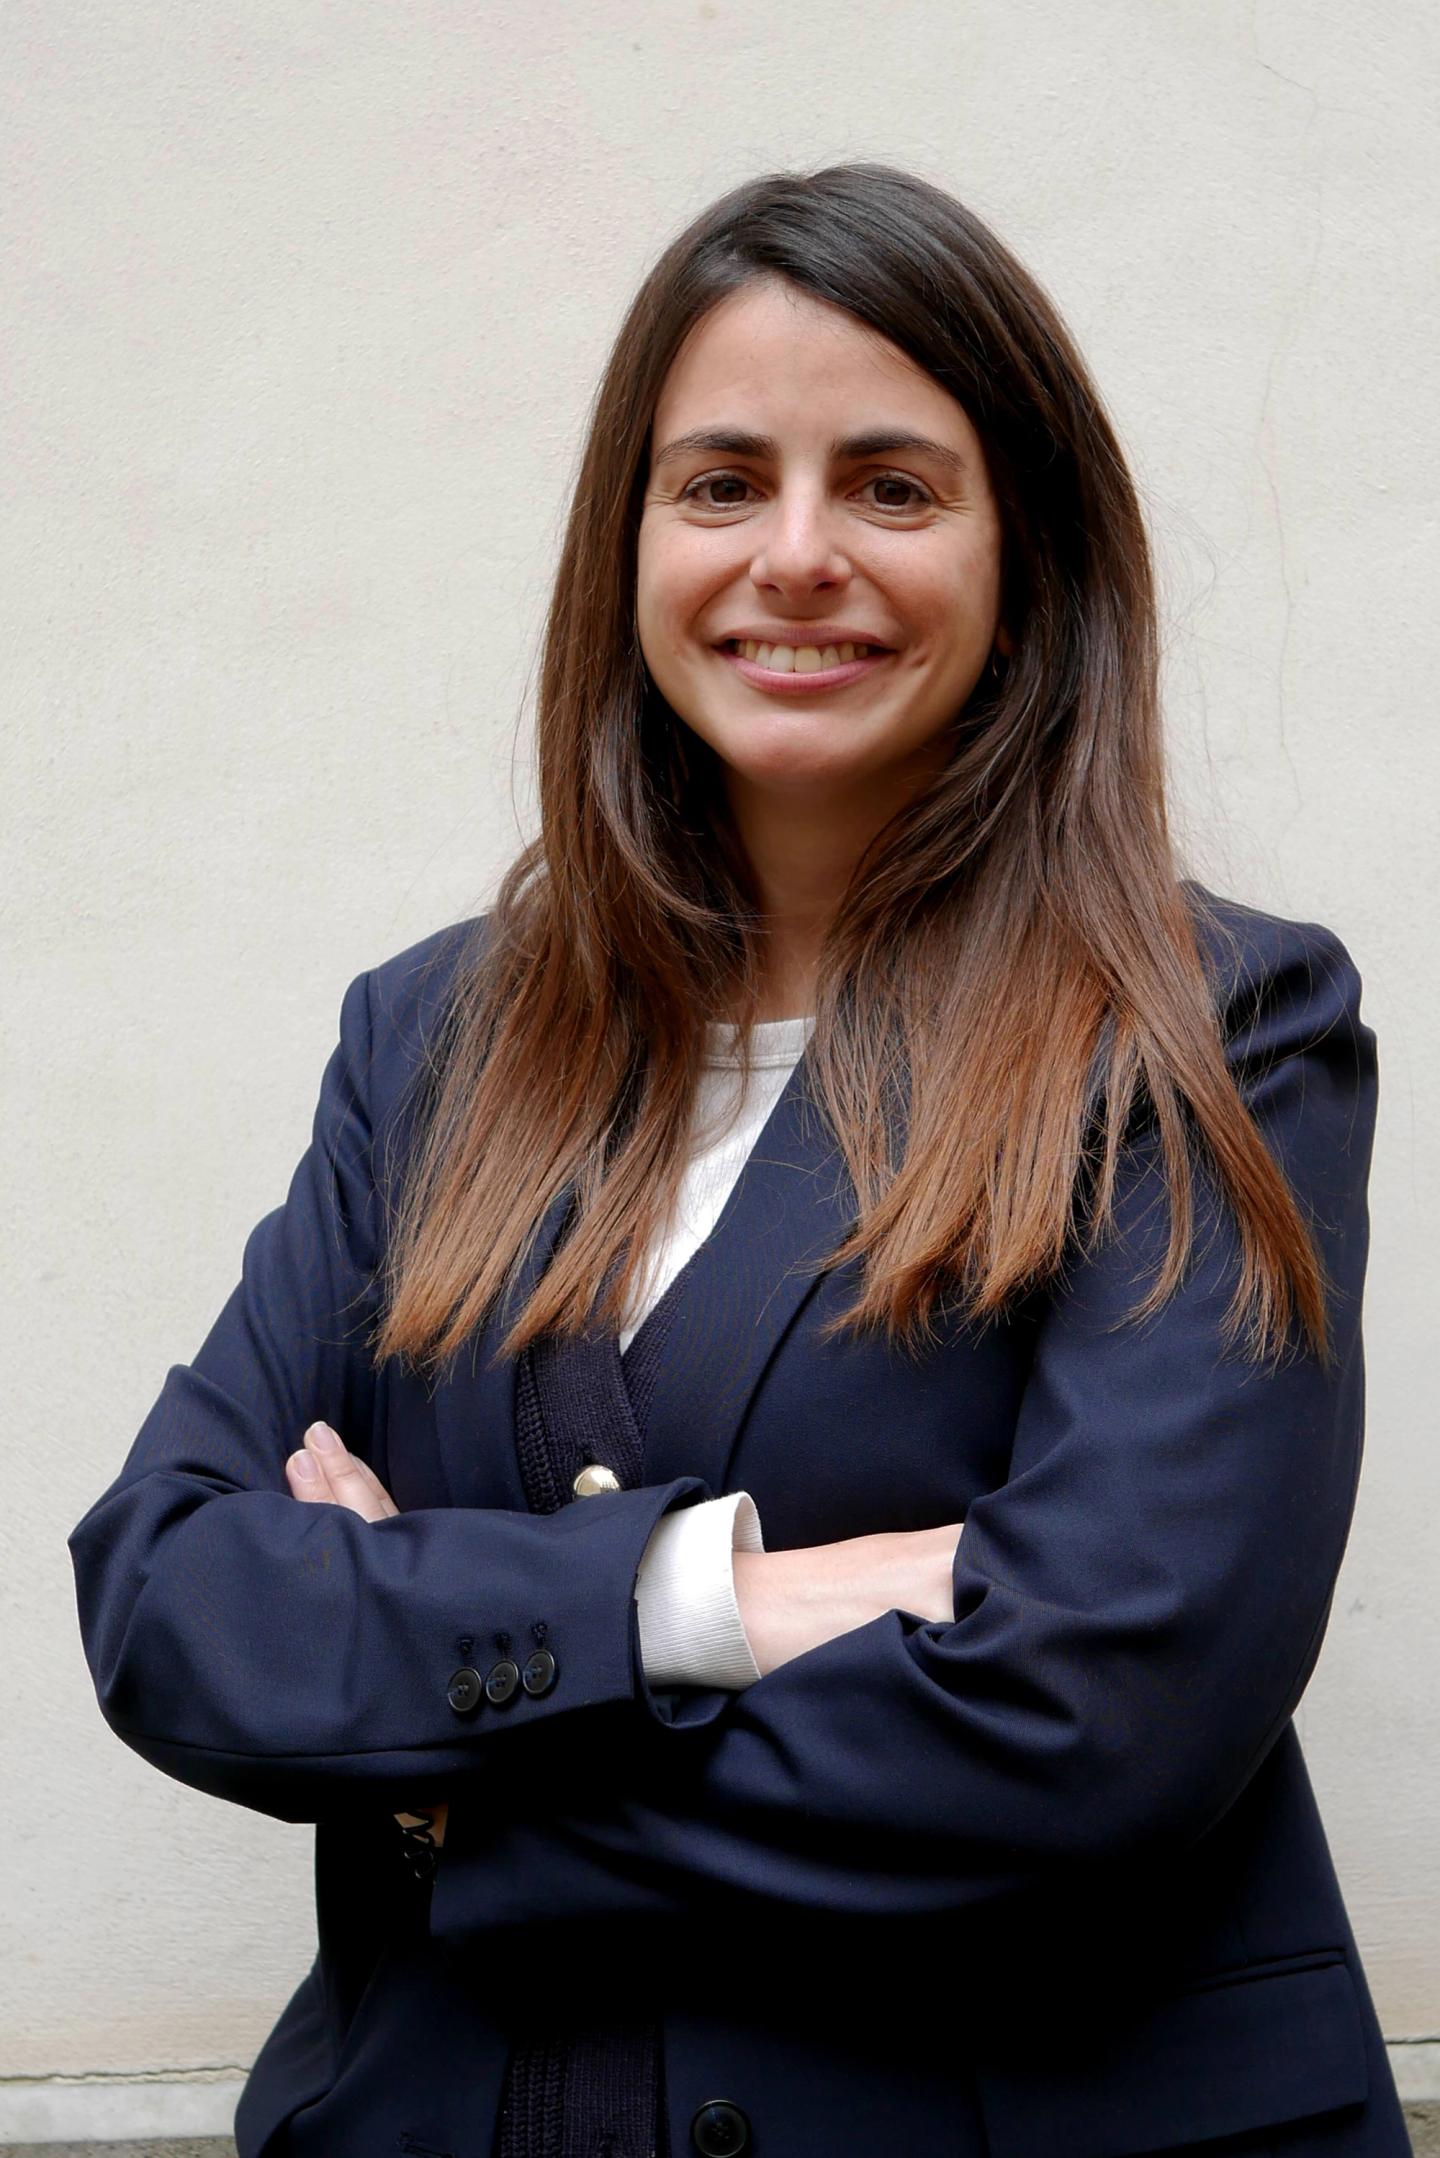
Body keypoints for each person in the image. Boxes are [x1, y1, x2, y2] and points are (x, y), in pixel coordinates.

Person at [67, 161, 1409, 2158]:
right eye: (719, 484)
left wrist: (440, 1777)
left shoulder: (1207, 1034)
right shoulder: (431, 1044)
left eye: (892, 486)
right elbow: (173, 1593)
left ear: (1027, 558)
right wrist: (706, 1598)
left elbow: (1098, 1723)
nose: (796, 555)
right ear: (628, 550)